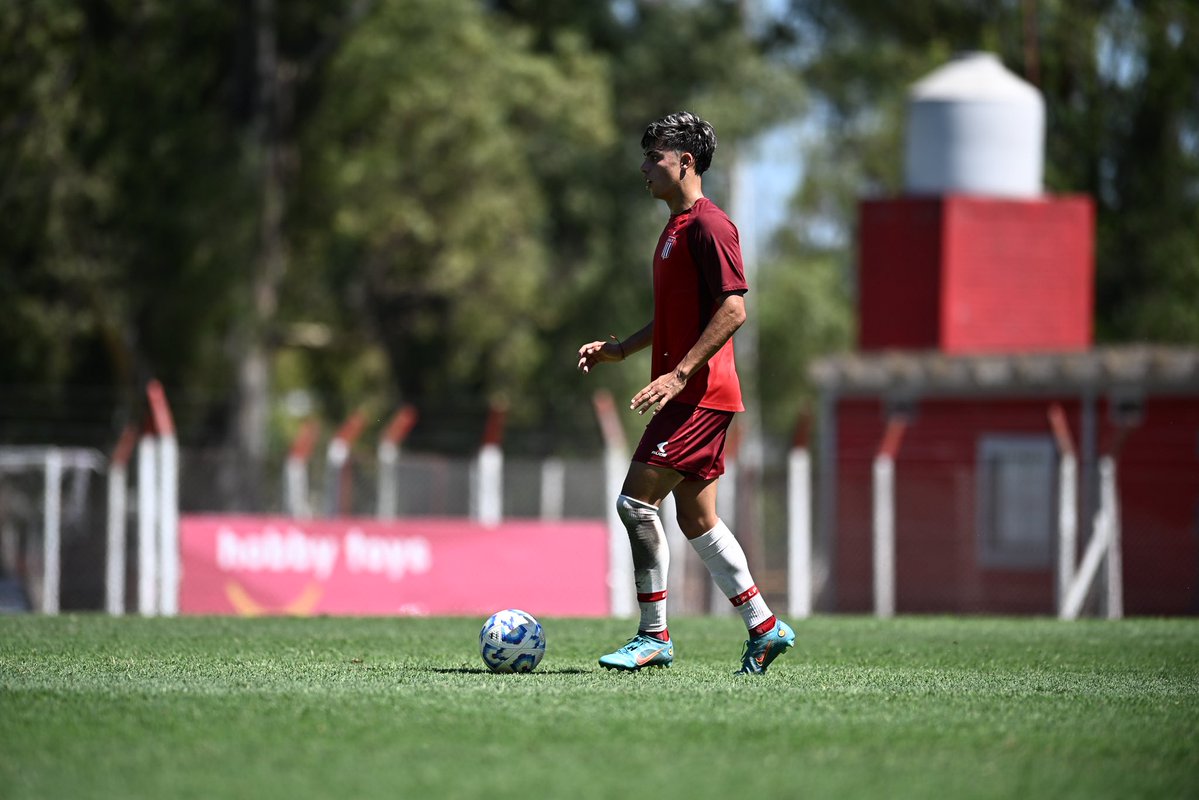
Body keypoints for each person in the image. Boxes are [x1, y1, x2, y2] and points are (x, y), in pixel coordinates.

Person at [577, 111, 795, 675]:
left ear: (686, 162)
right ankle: (765, 628)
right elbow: (679, 316)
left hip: (699, 394)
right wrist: (621, 350)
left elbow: (733, 308)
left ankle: (653, 637)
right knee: (697, 521)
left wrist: (679, 375)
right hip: (694, 393)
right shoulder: (674, 227)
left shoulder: (710, 226)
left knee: (634, 503)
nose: (644, 167)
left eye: (655, 157)